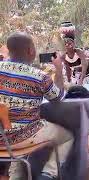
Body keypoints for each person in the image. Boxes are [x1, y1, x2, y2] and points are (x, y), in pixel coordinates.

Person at [0, 32, 74, 180]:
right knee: (68, 136)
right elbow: (57, 97)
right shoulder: (38, 76)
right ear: (30, 51)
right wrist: (59, 69)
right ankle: (48, 174)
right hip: (24, 137)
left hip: (2, 138)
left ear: (9, 50)